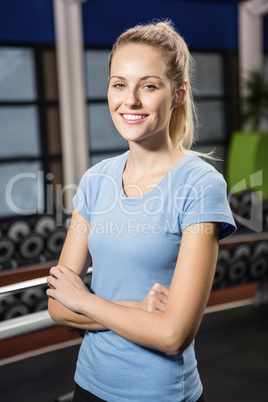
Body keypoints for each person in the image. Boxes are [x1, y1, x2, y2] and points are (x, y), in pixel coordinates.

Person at [47, 20, 236, 402]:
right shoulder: (96, 180)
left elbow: (172, 335)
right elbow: (56, 306)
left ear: (178, 93)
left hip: (159, 393)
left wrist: (84, 299)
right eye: (119, 84)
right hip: (88, 384)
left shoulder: (200, 186)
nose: (129, 100)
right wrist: (137, 309)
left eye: (148, 86)